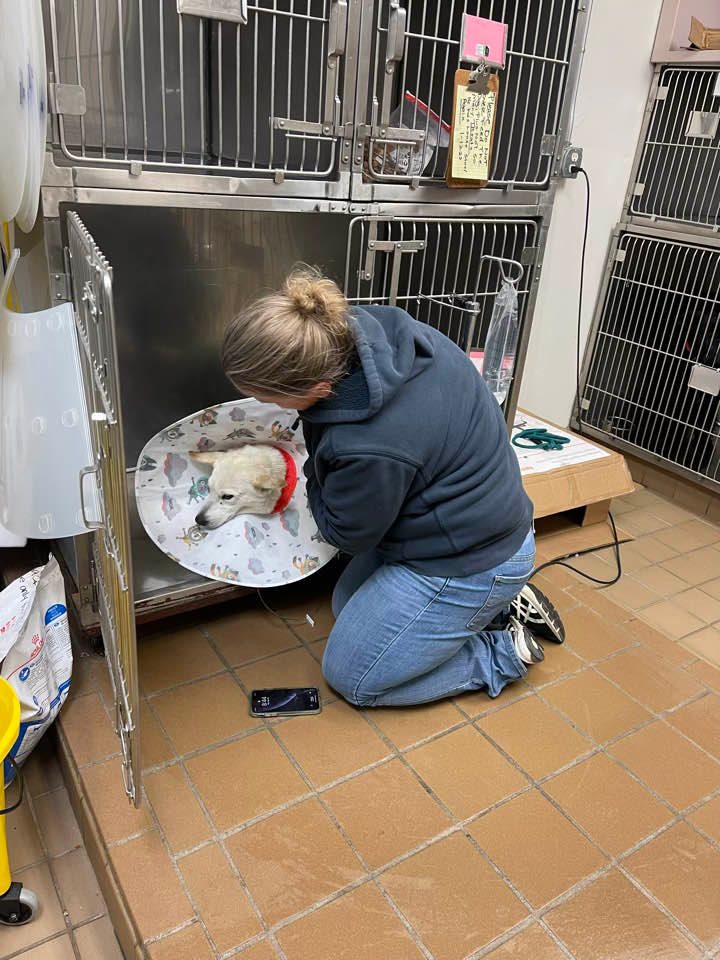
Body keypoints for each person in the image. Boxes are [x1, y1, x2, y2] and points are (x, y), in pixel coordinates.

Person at [221, 267, 564, 708]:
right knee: (347, 608)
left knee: (353, 677)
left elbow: (346, 534)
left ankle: (495, 654)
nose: (266, 408)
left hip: (464, 557)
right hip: (473, 520)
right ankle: (492, 610)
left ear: (321, 387)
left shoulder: (366, 447)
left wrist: (305, 472)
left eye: (271, 400)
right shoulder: (373, 331)